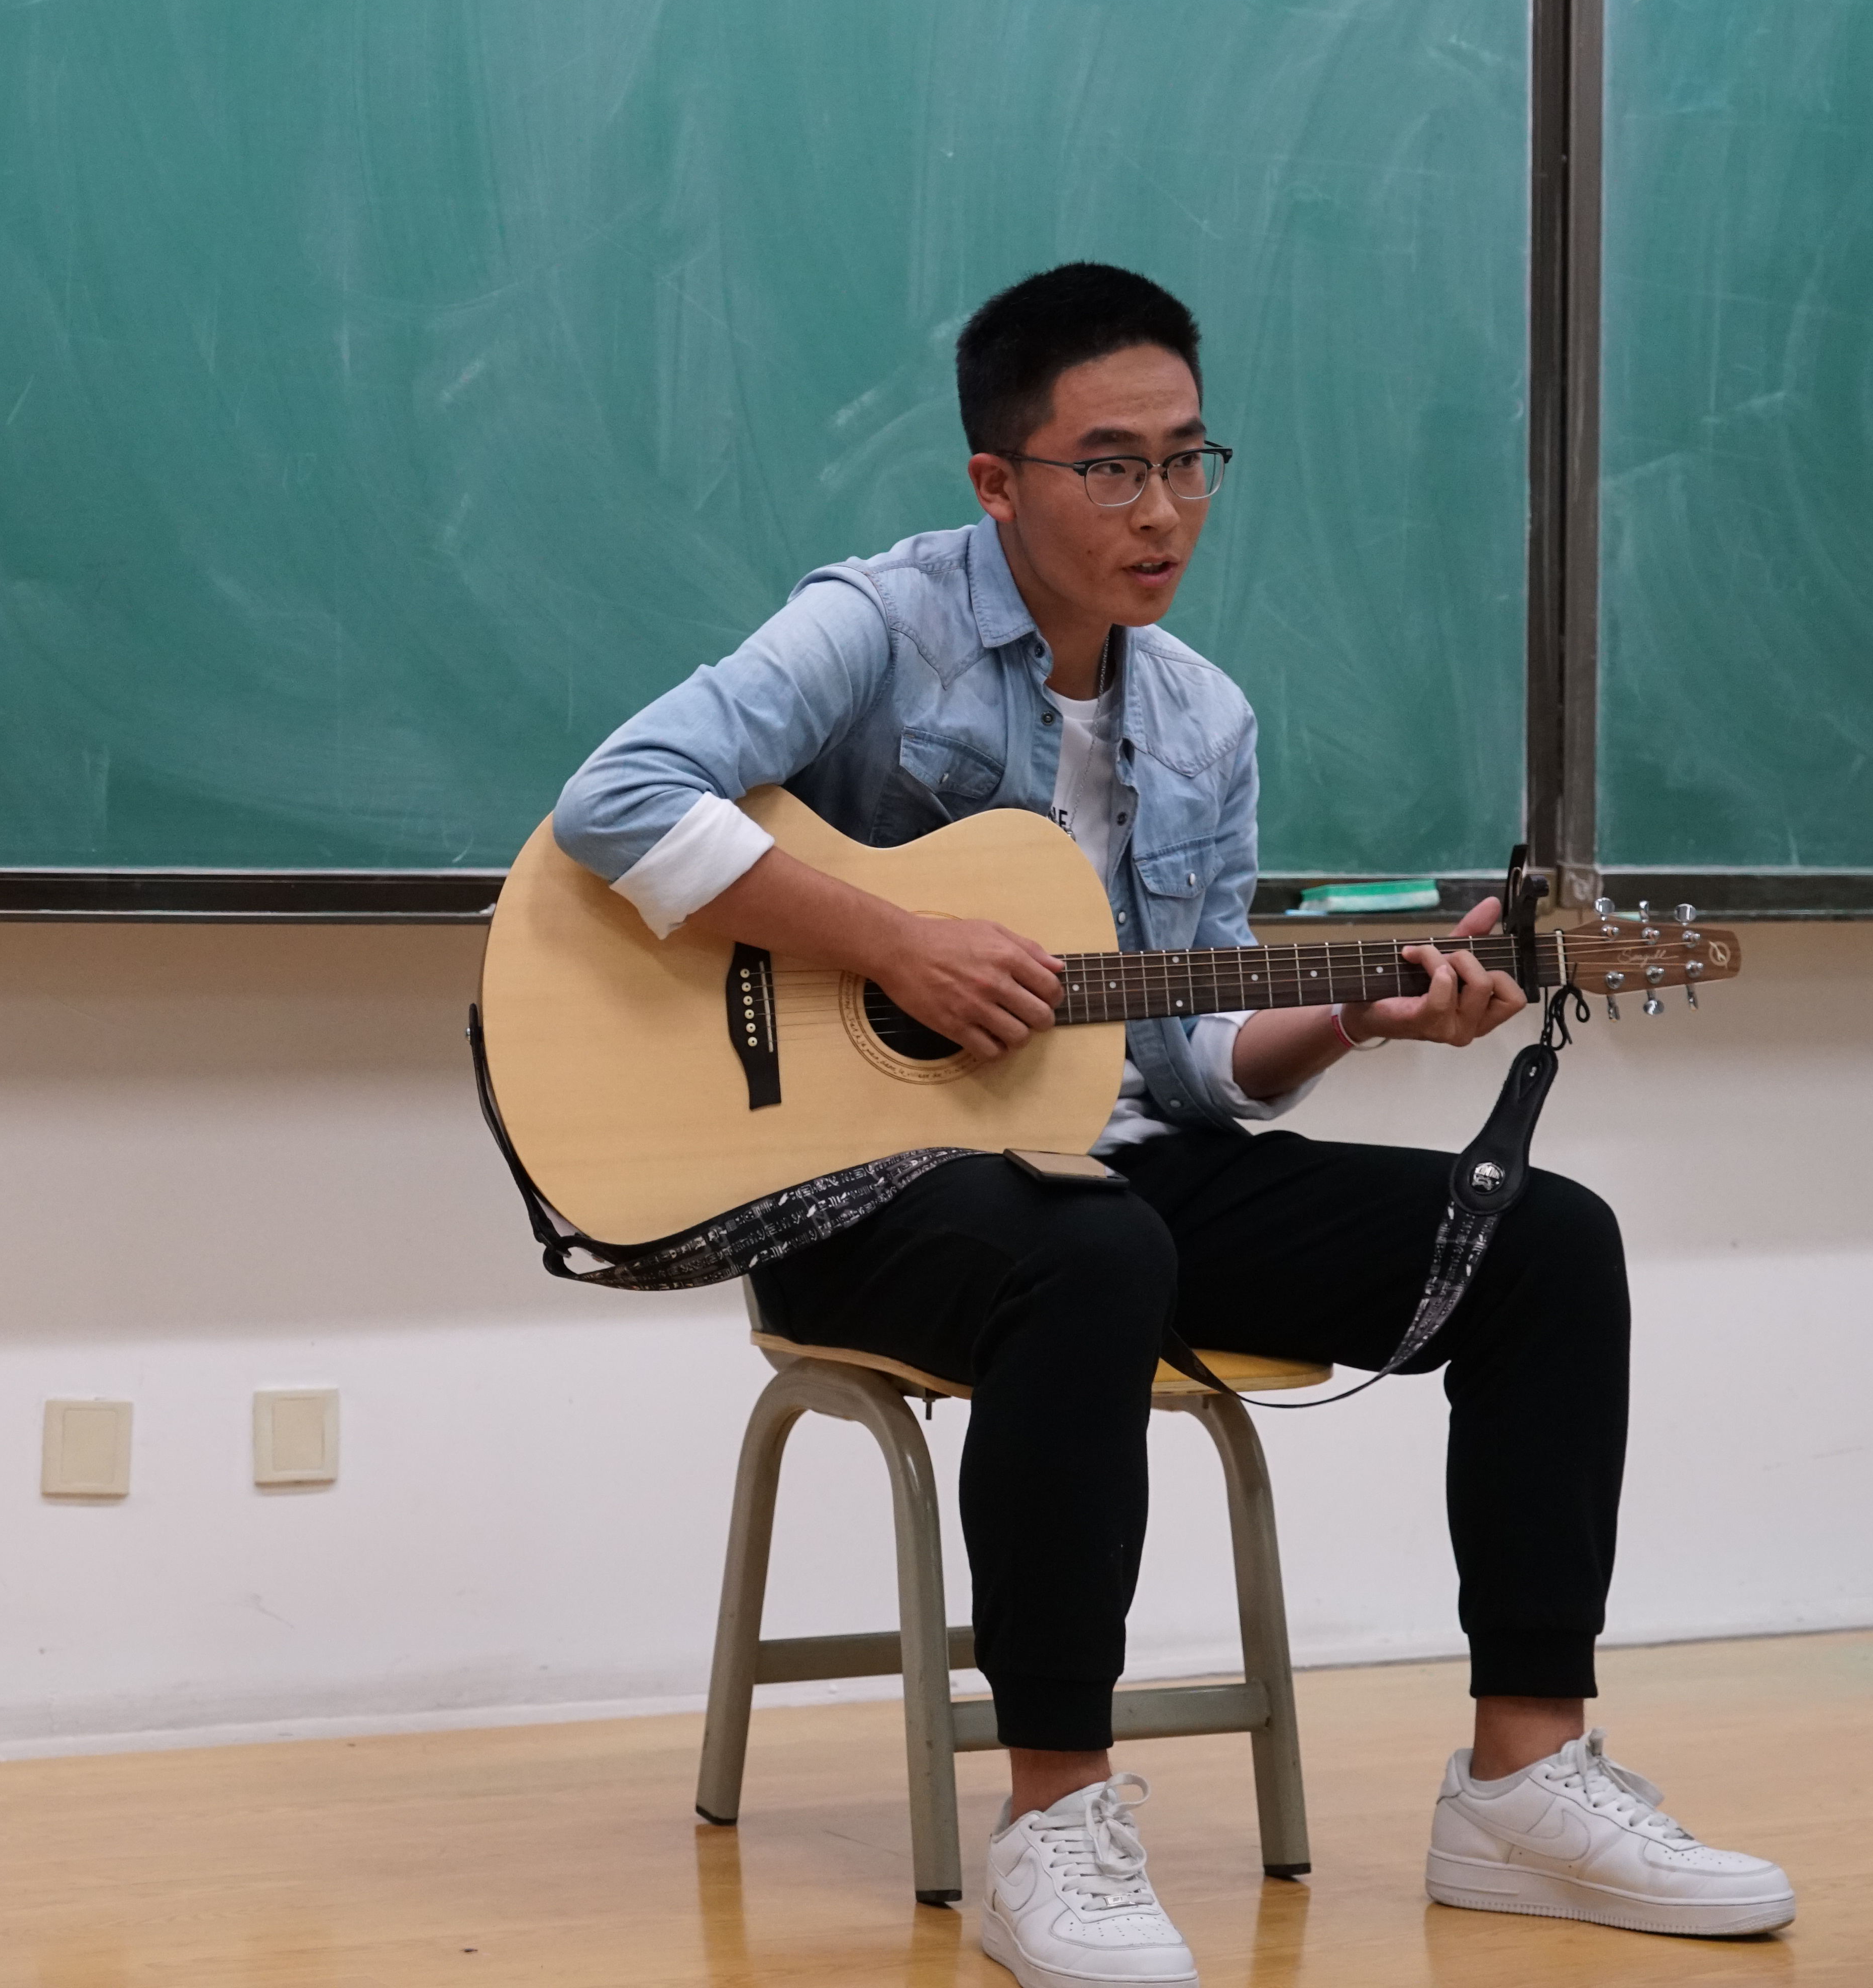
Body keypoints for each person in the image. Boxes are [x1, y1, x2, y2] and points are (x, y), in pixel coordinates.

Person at [549, 264, 1794, 1987]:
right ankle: (1052, 1819)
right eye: (1114, 467)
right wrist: (896, 941)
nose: (1164, 509)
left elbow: (1186, 1056)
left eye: (1191, 461)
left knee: (1544, 1238)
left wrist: (1357, 1014)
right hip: (850, 1189)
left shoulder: (1203, 717)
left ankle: (1522, 1782)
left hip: (1107, 1174)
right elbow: (617, 798)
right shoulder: (875, 625)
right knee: (1095, 1255)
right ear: (999, 481)